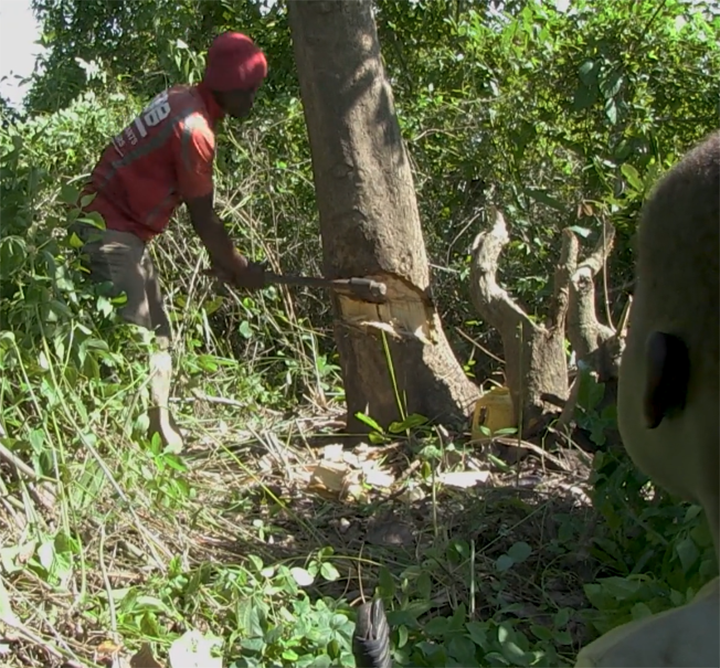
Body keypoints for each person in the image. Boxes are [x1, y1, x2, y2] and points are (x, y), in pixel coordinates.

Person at [72, 31, 268, 453]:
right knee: (132, 340)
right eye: (250, 92)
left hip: (122, 230)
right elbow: (204, 219)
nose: (253, 101)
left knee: (158, 334)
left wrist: (226, 263)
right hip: (108, 229)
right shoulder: (195, 129)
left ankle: (158, 438)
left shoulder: (180, 97)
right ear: (228, 87)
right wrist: (240, 267)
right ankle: (117, 454)